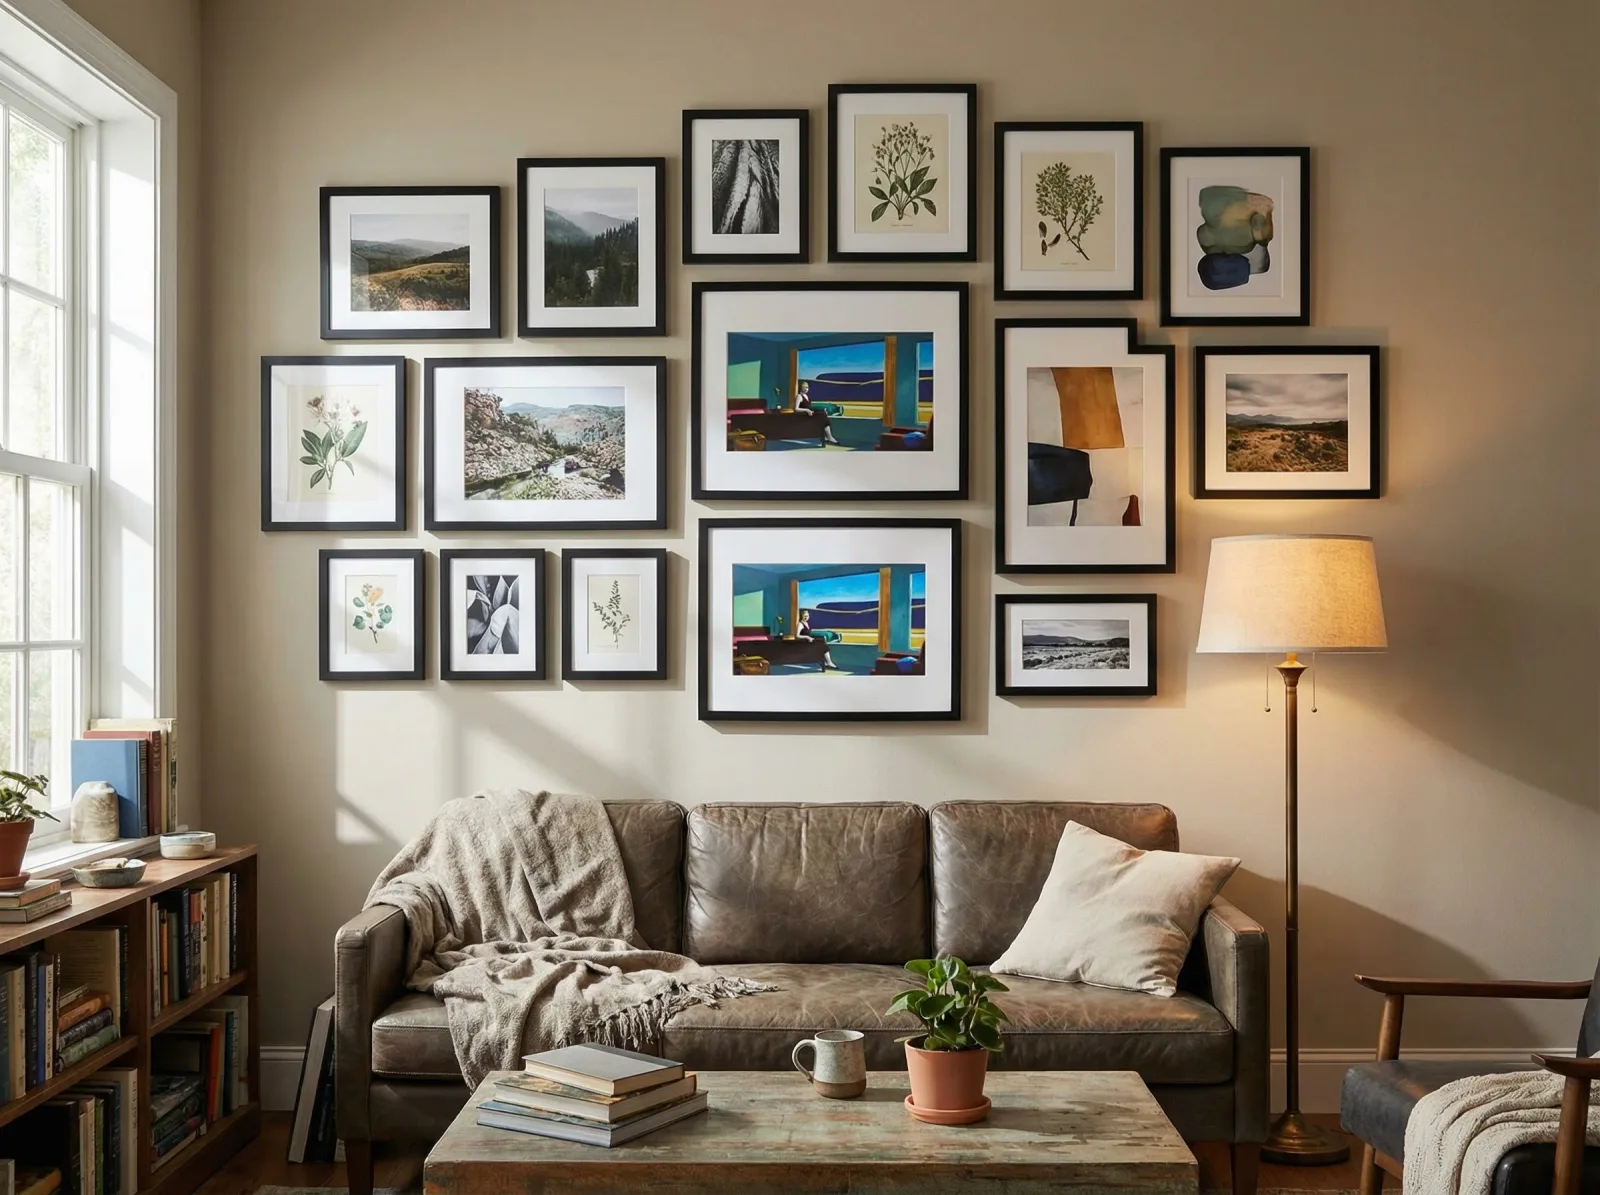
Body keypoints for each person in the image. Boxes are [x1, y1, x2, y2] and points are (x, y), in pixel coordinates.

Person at [792, 380, 840, 446]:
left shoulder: (807, 396)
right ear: (801, 388)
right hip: (805, 415)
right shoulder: (799, 396)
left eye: (807, 387)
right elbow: (796, 409)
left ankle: (828, 436)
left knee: (824, 414)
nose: (806, 389)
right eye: (804, 387)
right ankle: (829, 437)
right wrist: (806, 410)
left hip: (810, 413)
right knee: (823, 416)